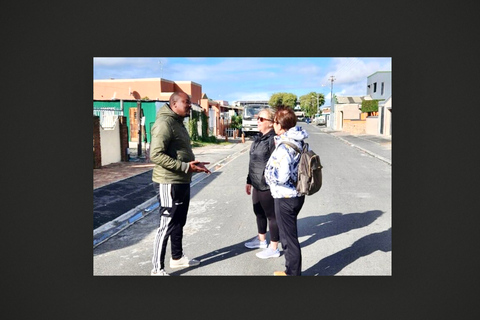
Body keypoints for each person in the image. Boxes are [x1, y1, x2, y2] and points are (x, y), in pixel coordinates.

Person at [149, 92, 211, 276]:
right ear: (174, 104)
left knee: (179, 222)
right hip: (168, 182)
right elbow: (156, 155)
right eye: (186, 102)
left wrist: (192, 165)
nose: (190, 106)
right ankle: (157, 269)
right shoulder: (164, 123)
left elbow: (178, 152)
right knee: (166, 224)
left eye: (190, 102)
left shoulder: (178, 122)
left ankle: (177, 258)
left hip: (182, 180)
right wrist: (185, 166)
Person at [265, 106, 308, 276]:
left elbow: (281, 176)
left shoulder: (284, 146)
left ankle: (292, 274)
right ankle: (291, 271)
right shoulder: (298, 140)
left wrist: (268, 175)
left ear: (279, 124)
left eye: (275, 121)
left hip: (285, 196)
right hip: (296, 194)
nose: (273, 125)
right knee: (290, 236)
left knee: (288, 239)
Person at [244, 108, 281, 259]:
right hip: (256, 183)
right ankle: (261, 240)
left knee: (271, 216)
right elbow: (253, 161)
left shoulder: (273, 140)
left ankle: (274, 247)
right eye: (257, 118)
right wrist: (248, 180)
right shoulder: (258, 138)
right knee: (258, 212)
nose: (258, 121)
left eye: (261, 119)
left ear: (271, 123)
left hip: (267, 185)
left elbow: (276, 163)